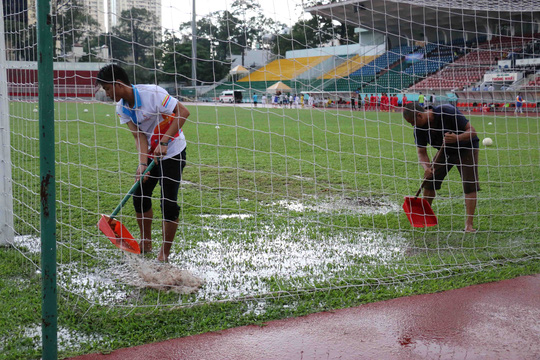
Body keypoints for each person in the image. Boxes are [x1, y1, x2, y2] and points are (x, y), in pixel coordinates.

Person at [96, 64, 189, 262]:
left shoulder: (152, 93)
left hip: (173, 152)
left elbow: (182, 112)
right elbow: (139, 136)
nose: (107, 93)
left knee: (168, 202)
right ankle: (146, 242)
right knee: (140, 195)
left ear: (118, 84)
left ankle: (164, 253)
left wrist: (164, 142)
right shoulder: (121, 108)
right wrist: (142, 164)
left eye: (107, 88)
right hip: (150, 154)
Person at [402, 102, 480, 232]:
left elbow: (472, 131)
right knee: (430, 181)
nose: (412, 125)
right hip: (444, 151)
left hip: (467, 148)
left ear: (420, 115)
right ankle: (424, 216)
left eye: (412, 122)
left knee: (469, 184)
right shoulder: (419, 129)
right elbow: (421, 152)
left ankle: (469, 224)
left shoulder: (447, 112)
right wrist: (427, 168)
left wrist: (457, 138)